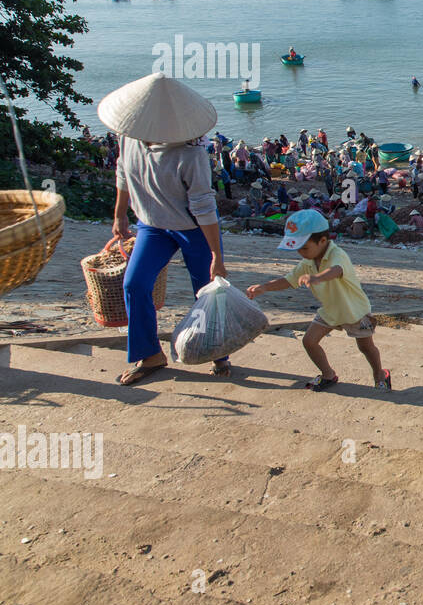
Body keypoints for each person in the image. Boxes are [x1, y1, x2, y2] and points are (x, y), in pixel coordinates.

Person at [100, 72, 231, 385]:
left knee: (206, 292)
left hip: (194, 230)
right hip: (152, 225)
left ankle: (219, 353)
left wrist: (216, 254)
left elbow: (203, 206)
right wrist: (120, 215)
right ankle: (150, 355)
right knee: (134, 285)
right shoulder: (128, 136)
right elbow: (122, 173)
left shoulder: (191, 153)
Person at [247, 209, 390, 390]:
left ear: (322, 241)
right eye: (297, 248)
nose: (300, 253)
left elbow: (336, 270)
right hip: (330, 311)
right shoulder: (307, 262)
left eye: (304, 248)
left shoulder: (337, 254)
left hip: (354, 311)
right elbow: (289, 280)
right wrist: (265, 287)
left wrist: (317, 278)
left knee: (366, 347)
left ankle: (380, 375)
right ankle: (328, 374)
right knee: (309, 341)